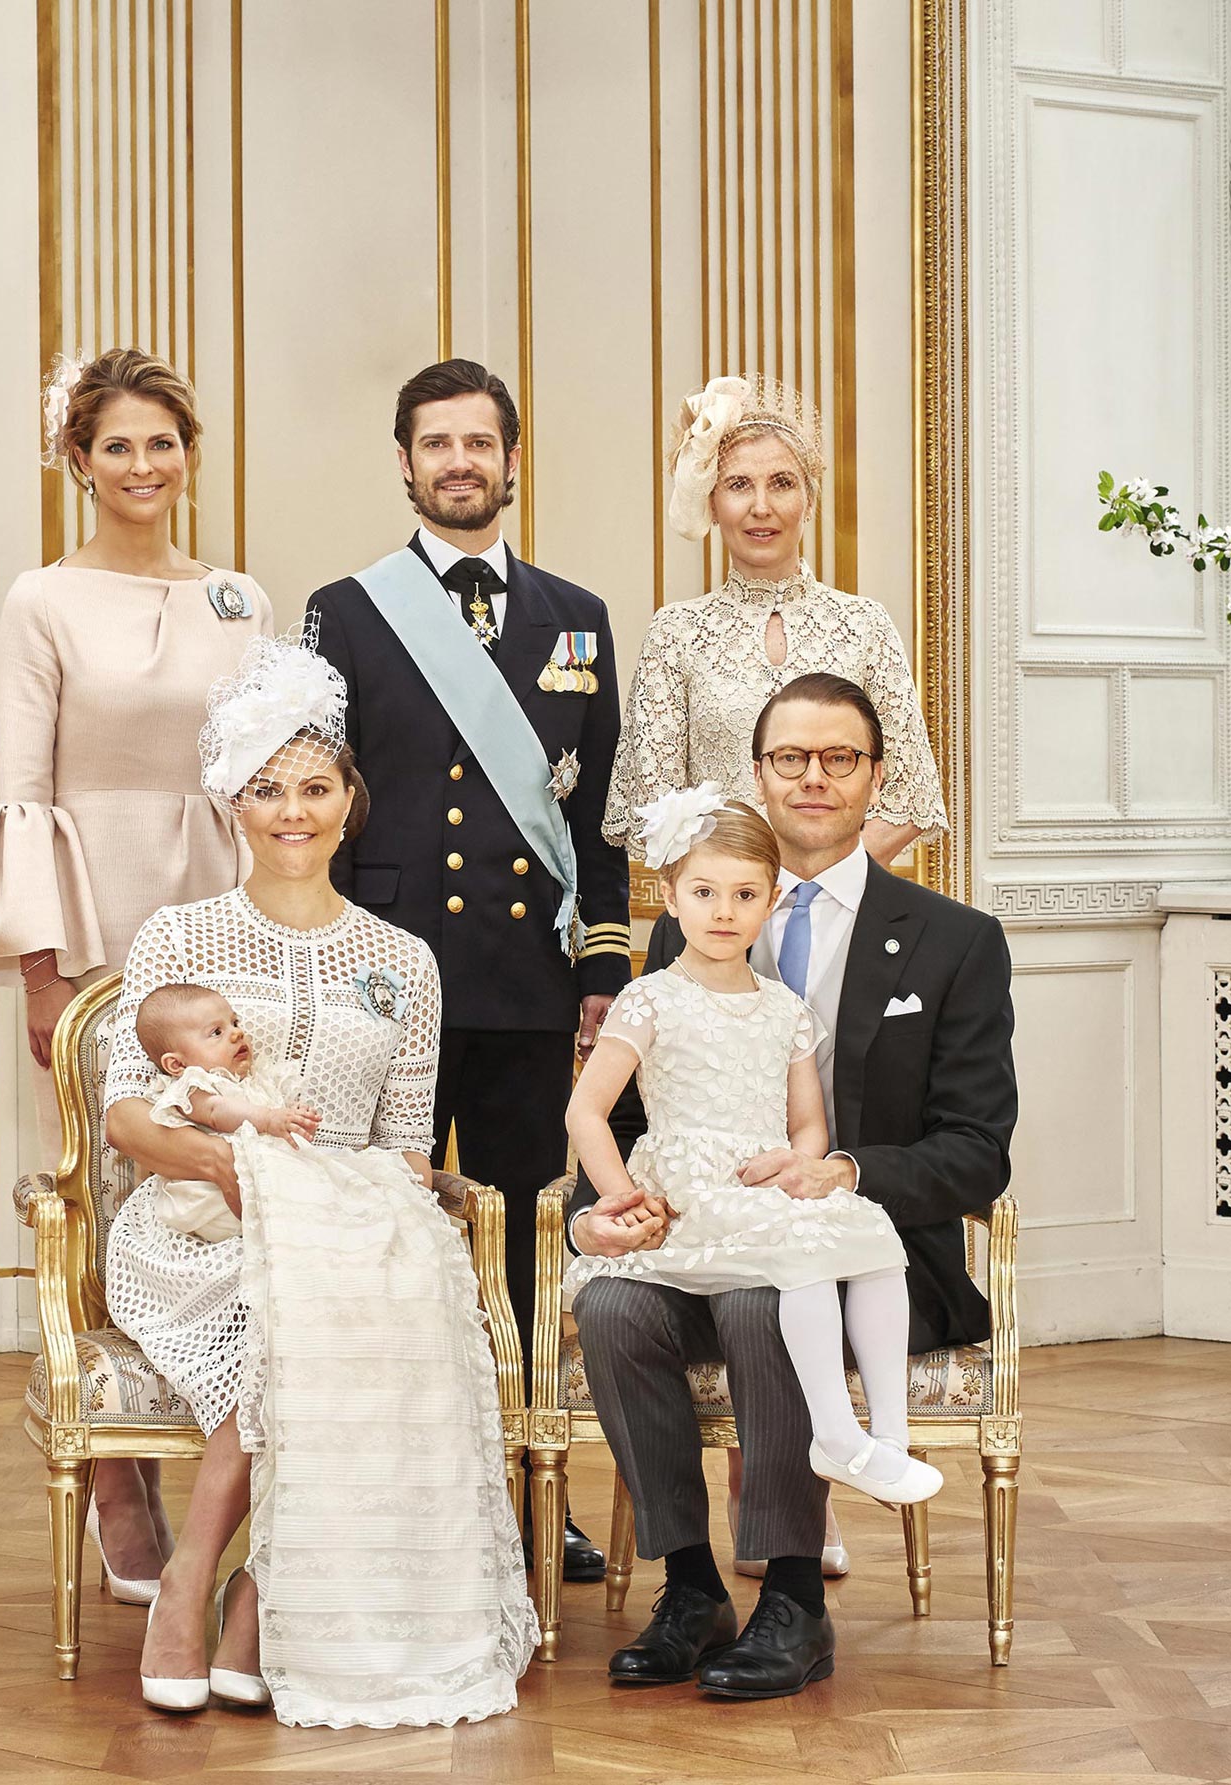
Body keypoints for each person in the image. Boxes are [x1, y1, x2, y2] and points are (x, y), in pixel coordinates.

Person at [103, 629, 537, 1725]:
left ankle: (261, 1596)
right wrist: (240, 1173)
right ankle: (193, 1585)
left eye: (313, 787)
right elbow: (126, 1117)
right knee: (289, 1323)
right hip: (195, 1235)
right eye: (266, 790)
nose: (291, 811)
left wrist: (348, 1220)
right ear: (231, 804)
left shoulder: (404, 960)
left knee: (355, 1310)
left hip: (348, 1231)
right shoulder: (178, 936)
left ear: (350, 801)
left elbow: (405, 1144)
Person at [568, 673, 1016, 1700]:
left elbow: (976, 1149)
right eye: (789, 758)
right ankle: (691, 1587)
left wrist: (841, 1169)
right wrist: (608, 1214)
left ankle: (794, 1595)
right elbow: (626, 1117)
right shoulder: (689, 926)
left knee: (763, 1297)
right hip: (694, 1236)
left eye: (839, 757)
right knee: (613, 1309)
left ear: (876, 776)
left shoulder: (956, 940)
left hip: (867, 1258)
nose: (814, 777)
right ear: (759, 773)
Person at [0, 347, 275, 1601]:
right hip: (94, 923)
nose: (142, 466)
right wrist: (44, 977)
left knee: (221, 1178)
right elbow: (20, 794)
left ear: (190, 454)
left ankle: (227, 1446)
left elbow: (263, 771)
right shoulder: (43, 600)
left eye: (161, 443)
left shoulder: (239, 598)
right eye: (116, 445)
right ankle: (118, 1481)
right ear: (77, 460)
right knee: (101, 1183)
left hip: (222, 913)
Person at [305, 358, 633, 1579]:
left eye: (478, 443)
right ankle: (381, 1495)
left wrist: (601, 966)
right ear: (405, 462)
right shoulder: (346, 611)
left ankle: (535, 1491)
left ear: (511, 460)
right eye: (435, 443)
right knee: (375, 1239)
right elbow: (319, 796)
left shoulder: (577, 616)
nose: (458, 463)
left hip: (521, 981)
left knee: (526, 1248)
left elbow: (599, 816)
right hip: (383, 974)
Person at [565, 789, 943, 1513]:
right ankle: (835, 1434)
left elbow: (809, 1125)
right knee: (802, 1256)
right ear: (670, 896)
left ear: (771, 901)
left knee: (876, 1240)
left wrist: (802, 1168)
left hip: (764, 1183)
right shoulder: (648, 998)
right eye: (704, 892)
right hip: (692, 1189)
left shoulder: (785, 1009)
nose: (723, 911)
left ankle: (888, 1440)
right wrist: (619, 1195)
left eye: (744, 895)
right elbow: (586, 1111)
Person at [602, 375, 948, 868]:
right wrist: (747, 893)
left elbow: (910, 795)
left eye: (782, 483)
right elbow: (657, 809)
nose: (761, 507)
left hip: (844, 905)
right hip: (720, 906)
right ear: (712, 503)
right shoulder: (674, 633)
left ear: (809, 501)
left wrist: (817, 888)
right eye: (739, 485)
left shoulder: (865, 625)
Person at [134, 984, 323, 1243]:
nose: (237, 1033)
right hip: (212, 1197)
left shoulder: (254, 1079)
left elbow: (274, 1121)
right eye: (216, 1032)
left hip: (263, 1178)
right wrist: (270, 1119)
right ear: (177, 1064)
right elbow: (216, 1111)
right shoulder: (193, 1087)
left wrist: (294, 1120)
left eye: (234, 1023)